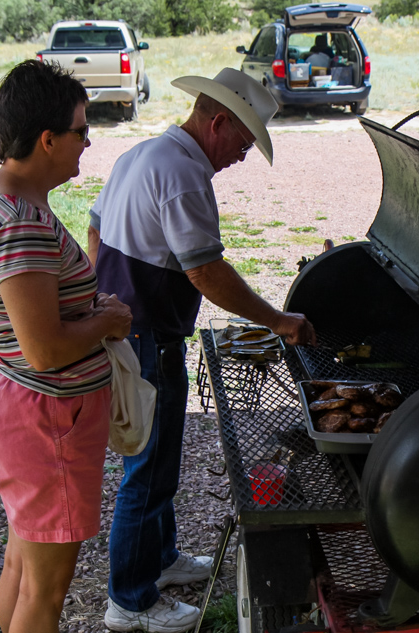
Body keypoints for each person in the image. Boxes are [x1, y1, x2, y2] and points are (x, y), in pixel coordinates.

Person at [87, 68, 317, 633]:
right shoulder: (185, 174)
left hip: (130, 331)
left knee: (159, 459)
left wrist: (102, 293)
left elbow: (94, 225)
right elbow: (206, 272)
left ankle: (159, 561)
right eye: (241, 143)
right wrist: (280, 321)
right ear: (216, 121)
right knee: (145, 471)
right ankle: (131, 600)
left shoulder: (144, 153)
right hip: (147, 337)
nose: (240, 157)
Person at [0, 60, 134, 633]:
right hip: (47, 423)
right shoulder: (22, 223)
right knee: (46, 591)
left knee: (22, 561)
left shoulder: (5, 198)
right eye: (82, 130)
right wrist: (109, 323)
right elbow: (44, 349)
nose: (87, 142)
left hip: (22, 408)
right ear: (47, 139)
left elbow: (35, 315)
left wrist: (89, 303)